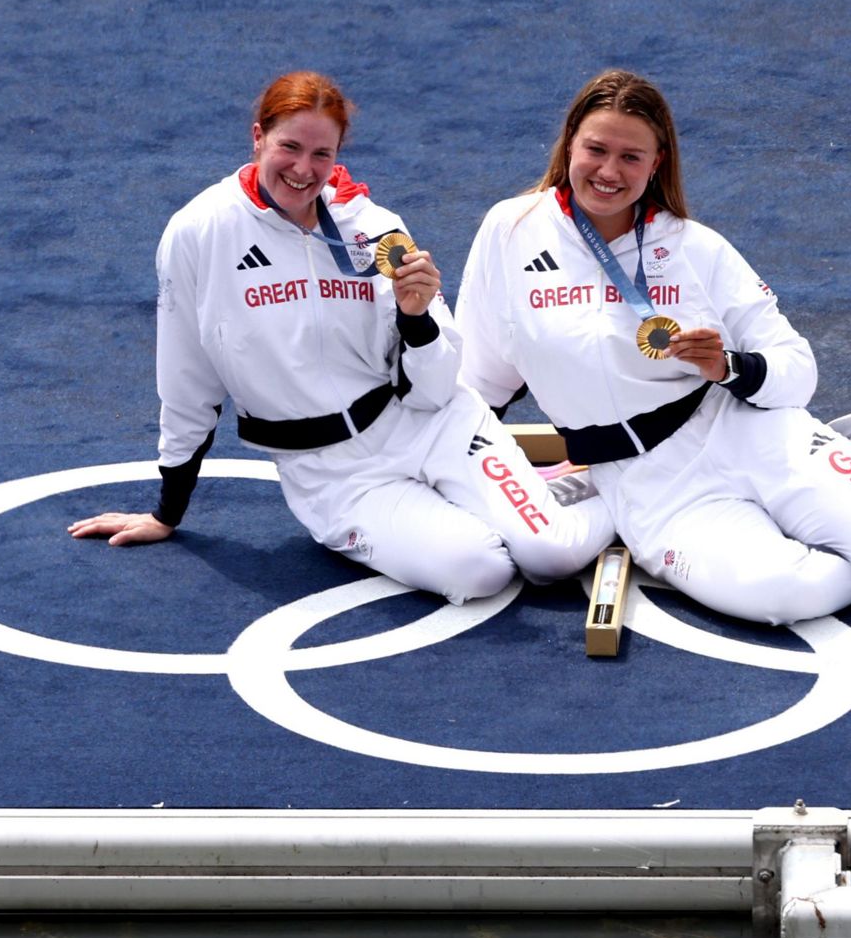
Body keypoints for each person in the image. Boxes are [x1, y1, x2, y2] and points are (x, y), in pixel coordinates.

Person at [70, 71, 614, 604]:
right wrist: (168, 511)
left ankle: (628, 497)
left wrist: (417, 319)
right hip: (336, 478)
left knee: (549, 556)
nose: (304, 170)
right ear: (257, 137)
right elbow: (186, 380)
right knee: (481, 571)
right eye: (289, 147)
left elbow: (437, 386)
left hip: (431, 426)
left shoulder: (372, 226)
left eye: (321, 155)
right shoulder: (200, 234)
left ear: (337, 155)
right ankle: (536, 501)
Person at [454, 70, 851, 625]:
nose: (609, 172)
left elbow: (797, 370)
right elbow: (480, 381)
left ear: (657, 163)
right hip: (646, 483)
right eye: (596, 149)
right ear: (569, 145)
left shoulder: (693, 246)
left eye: (632, 157)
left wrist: (728, 366)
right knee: (784, 595)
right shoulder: (510, 231)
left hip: (743, 430)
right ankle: (848, 485)